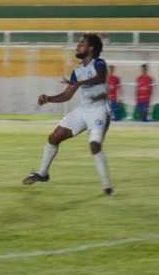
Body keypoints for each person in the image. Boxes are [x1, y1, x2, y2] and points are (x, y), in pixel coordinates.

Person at [23, 34, 114, 195]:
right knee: (54, 137)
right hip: (83, 110)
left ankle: (107, 187)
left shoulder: (99, 63)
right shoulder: (77, 71)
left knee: (94, 145)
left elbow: (100, 78)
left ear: (91, 48)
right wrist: (48, 99)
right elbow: (67, 95)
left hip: (100, 111)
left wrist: (79, 83)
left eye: (82, 44)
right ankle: (43, 173)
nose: (78, 46)